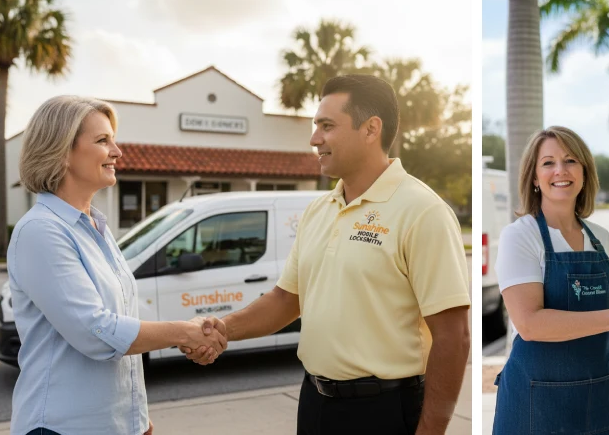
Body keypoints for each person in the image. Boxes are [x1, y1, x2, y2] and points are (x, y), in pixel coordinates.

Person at [182, 74, 471, 434]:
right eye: (315, 125)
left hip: (384, 412)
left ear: (371, 129)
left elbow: (453, 335)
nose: (314, 138)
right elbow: (286, 300)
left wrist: (431, 431)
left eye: (327, 126)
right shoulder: (318, 210)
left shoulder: (423, 211)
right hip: (315, 404)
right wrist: (222, 329)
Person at [7, 96, 227, 435]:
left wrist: (137, 417)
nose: (117, 151)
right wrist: (185, 332)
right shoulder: (41, 231)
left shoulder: (95, 227)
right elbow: (97, 331)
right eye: (102, 140)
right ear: (62, 151)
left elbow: (120, 325)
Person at [491, 126, 609, 435]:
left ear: (584, 171)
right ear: (533, 176)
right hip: (535, 404)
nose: (560, 171)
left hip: (600, 399)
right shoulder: (521, 236)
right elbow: (529, 323)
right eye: (548, 163)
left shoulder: (601, 239)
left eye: (570, 160)